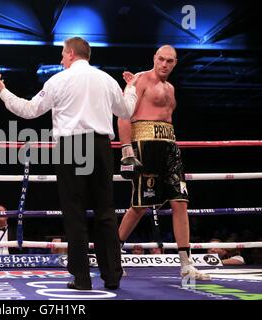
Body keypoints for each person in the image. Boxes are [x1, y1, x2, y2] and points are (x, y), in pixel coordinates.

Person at [0, 37, 138, 290]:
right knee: (105, 211)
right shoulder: (106, 80)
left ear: (71, 53)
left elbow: (28, 110)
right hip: (101, 147)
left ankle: (81, 278)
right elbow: (126, 111)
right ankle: (112, 276)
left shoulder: (59, 80)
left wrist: (2, 90)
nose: (61, 59)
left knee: (74, 213)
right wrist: (132, 88)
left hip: (71, 147)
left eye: (62, 54)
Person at [117, 45, 210, 280]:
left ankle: (186, 264)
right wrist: (126, 148)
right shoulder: (140, 80)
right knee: (139, 206)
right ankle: (113, 252)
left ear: (175, 63)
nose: (165, 64)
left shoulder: (171, 88)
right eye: (161, 59)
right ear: (154, 58)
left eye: (170, 61)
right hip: (144, 145)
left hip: (169, 146)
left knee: (180, 202)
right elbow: (123, 114)